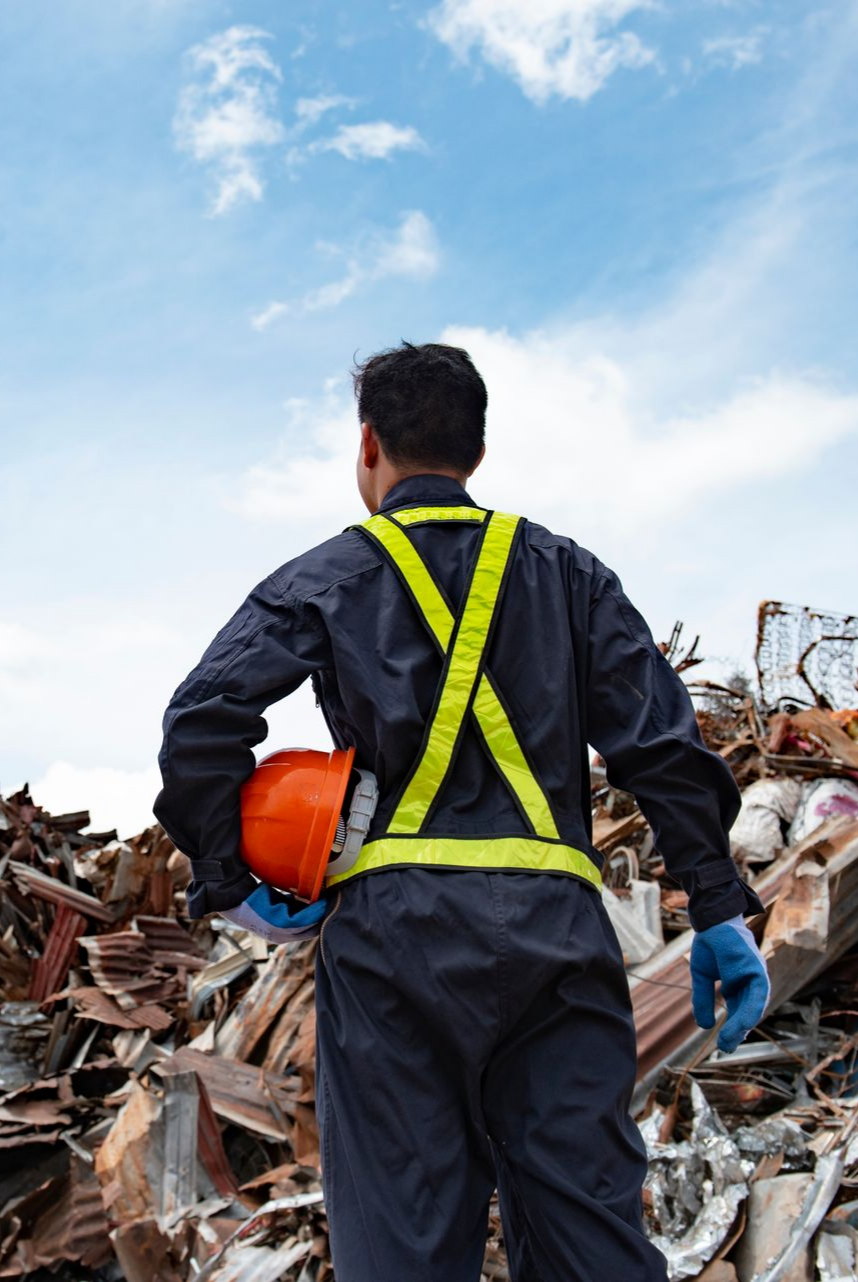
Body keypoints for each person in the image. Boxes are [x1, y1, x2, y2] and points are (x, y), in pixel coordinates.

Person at [153, 341, 770, 1282]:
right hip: (558, 936)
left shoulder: (328, 575)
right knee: (589, 1236)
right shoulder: (570, 574)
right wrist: (718, 906)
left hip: (394, 945)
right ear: (476, 451)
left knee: (402, 1239)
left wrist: (229, 880)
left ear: (368, 445)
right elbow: (660, 744)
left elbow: (203, 718)